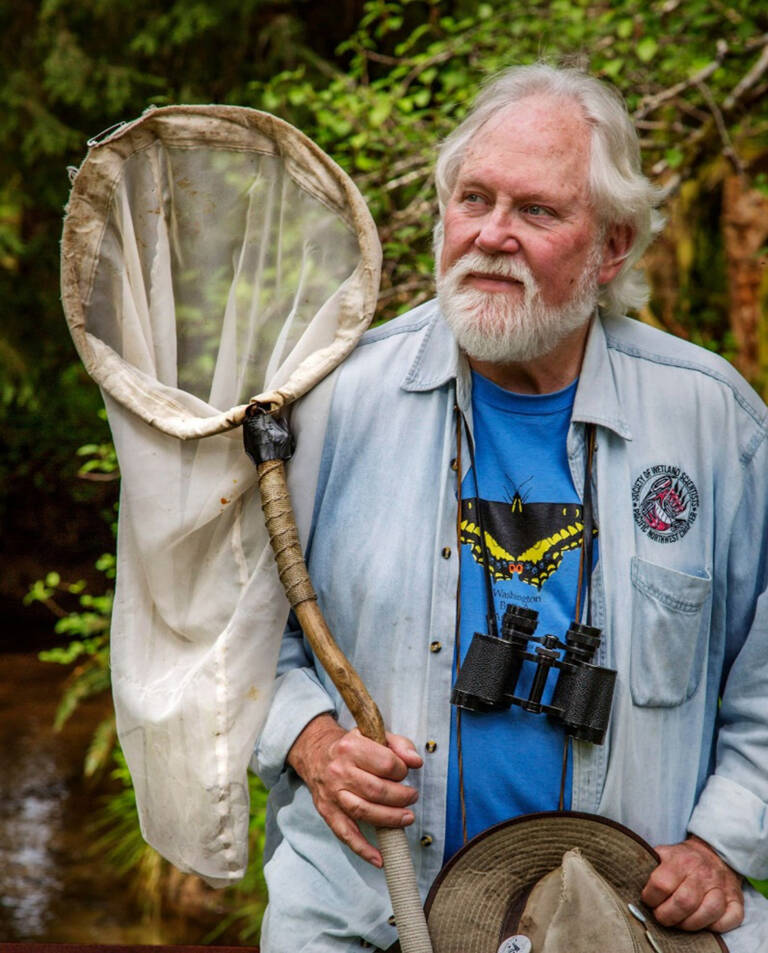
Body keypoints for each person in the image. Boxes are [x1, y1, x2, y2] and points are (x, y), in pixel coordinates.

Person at [253, 63, 768, 952]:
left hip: (623, 919)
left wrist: (725, 838)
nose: (491, 235)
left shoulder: (712, 419)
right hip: (363, 911)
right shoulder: (330, 398)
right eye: (474, 198)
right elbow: (232, 628)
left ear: (611, 247)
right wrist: (311, 741)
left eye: (536, 211)